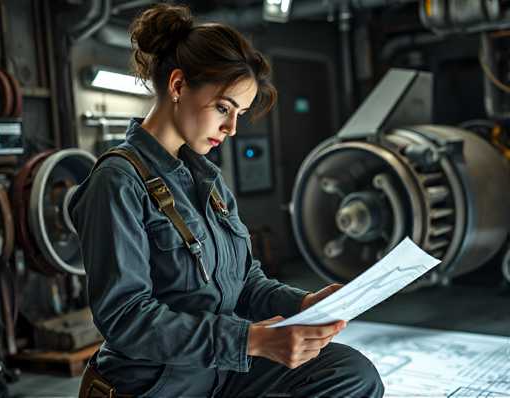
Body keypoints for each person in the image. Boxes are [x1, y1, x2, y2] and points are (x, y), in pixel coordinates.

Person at [70, 3, 384, 398]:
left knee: (350, 373)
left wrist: (302, 303)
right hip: (161, 385)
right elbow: (127, 319)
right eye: (223, 108)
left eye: (240, 113)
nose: (232, 128)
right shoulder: (117, 182)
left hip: (218, 371)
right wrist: (249, 340)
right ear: (179, 85)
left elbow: (245, 282)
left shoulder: (208, 179)